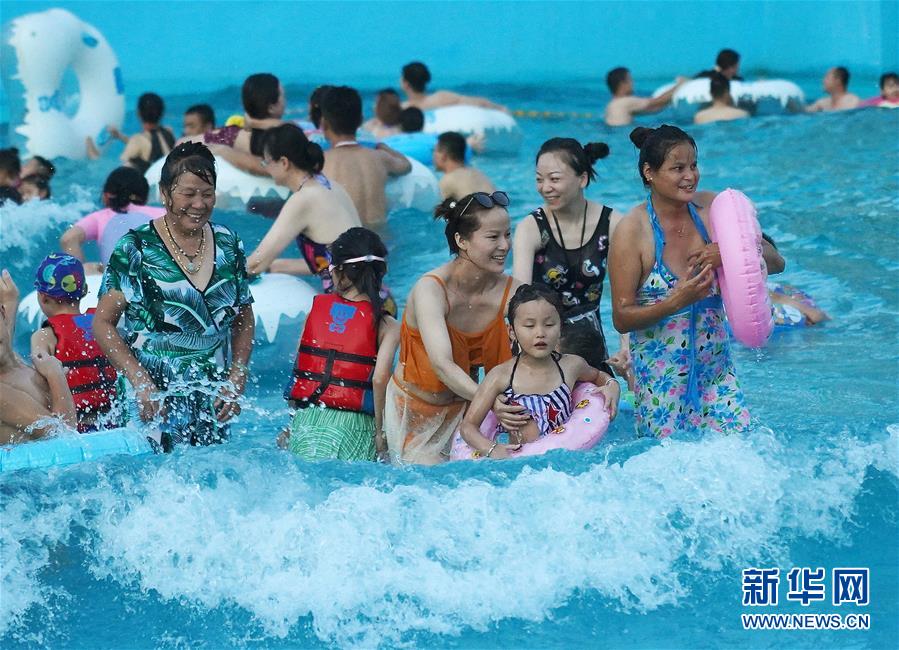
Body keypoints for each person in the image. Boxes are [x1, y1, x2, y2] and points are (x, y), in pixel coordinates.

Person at [608, 125, 784, 438]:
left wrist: (730, 252)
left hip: (717, 377)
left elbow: (776, 262)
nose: (690, 176)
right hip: (662, 385)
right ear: (649, 172)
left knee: (741, 456)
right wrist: (676, 301)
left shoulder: (711, 211)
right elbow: (622, 318)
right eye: (677, 168)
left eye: (693, 165)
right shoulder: (632, 231)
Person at [93, 142, 255, 450]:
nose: (199, 203)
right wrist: (139, 379)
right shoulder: (135, 248)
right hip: (151, 398)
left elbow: (244, 316)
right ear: (165, 193)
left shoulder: (228, 243)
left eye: (207, 194)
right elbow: (103, 323)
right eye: (188, 193)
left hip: (211, 396)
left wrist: (237, 375)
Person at [384, 191, 526, 465]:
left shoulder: (513, 292)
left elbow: (545, 344)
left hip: (469, 410)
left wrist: (600, 381)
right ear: (461, 241)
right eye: (493, 237)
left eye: (507, 235)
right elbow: (441, 364)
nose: (505, 245)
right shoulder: (431, 290)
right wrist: (491, 402)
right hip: (415, 412)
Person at [459, 284, 620, 459]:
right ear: (512, 332)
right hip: (521, 465)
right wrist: (492, 449)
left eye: (549, 324)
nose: (540, 333)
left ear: (560, 328)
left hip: (565, 458)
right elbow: (468, 426)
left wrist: (612, 385)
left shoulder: (571, 366)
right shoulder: (501, 376)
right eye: (529, 326)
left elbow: (598, 376)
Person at [281, 228, 400, 461]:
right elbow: (379, 380)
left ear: (338, 272)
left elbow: (300, 369)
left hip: (308, 421)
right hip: (356, 426)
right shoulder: (388, 324)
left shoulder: (316, 311)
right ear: (380, 274)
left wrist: (291, 424)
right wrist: (380, 434)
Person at [512, 138, 625, 375]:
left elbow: (624, 295)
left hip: (591, 342)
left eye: (554, 179)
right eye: (539, 179)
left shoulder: (612, 224)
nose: (545, 187)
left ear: (582, 179)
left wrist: (626, 349)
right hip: (540, 343)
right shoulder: (531, 228)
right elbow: (519, 300)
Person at [246, 123, 361, 282]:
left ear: (284, 163)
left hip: (348, 305)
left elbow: (254, 265)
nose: (266, 169)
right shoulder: (333, 187)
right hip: (377, 299)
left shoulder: (302, 199)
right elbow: (342, 261)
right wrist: (278, 266)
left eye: (266, 162)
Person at [30, 254, 119, 432]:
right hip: (112, 424)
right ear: (85, 290)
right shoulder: (102, 324)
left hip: (74, 429)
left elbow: (37, 383)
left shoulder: (44, 336)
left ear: (42, 297)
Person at [0, 269, 77, 444]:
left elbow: (5, 344)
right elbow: (64, 435)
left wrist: (11, 301)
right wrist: (56, 376)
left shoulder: (15, 362)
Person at [320, 86, 411, 224]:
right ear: (361, 121)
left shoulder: (322, 161)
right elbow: (406, 166)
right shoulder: (380, 157)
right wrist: (385, 147)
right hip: (382, 242)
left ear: (324, 124)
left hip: (343, 242)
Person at [59, 167, 165, 273]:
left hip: (116, 282)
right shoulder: (162, 214)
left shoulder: (100, 217)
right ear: (145, 197)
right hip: (158, 279)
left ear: (107, 195)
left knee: (90, 269)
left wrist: (81, 273)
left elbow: (68, 239)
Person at [198, 73, 286, 174]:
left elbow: (184, 142)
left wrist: (225, 151)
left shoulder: (230, 135)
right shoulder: (288, 137)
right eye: (283, 96)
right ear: (271, 108)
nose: (285, 101)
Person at [108, 92, 175, 173]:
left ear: (138, 113)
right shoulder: (169, 132)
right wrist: (120, 136)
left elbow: (121, 171)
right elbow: (150, 144)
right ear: (162, 113)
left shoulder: (137, 140)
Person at [400, 61, 507, 111]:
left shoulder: (403, 108)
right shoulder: (441, 98)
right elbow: (479, 102)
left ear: (406, 84)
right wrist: (500, 108)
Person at [604, 67, 687, 127]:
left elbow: (655, 107)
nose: (632, 83)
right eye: (630, 80)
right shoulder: (625, 102)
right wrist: (680, 84)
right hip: (622, 135)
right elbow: (658, 102)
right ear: (622, 84)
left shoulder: (611, 105)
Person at [433, 131, 496, 200]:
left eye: (434, 151)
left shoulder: (447, 181)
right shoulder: (479, 175)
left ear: (443, 155)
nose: (433, 155)